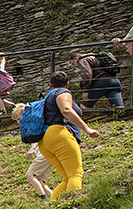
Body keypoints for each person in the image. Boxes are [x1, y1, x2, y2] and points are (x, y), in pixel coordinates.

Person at [36, 70, 99, 200]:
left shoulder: (47, 97)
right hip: (60, 134)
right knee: (75, 174)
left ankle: (53, 208)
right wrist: (87, 129)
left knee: (67, 178)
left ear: (50, 84)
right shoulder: (62, 92)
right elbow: (66, 109)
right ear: (67, 84)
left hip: (45, 140)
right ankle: (74, 206)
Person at [11, 105, 53, 197]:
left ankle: (43, 198)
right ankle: (54, 197)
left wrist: (32, 149)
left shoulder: (34, 125)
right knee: (39, 181)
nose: (18, 122)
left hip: (43, 154)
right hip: (47, 154)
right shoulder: (33, 125)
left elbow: (40, 138)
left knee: (30, 175)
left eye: (19, 119)